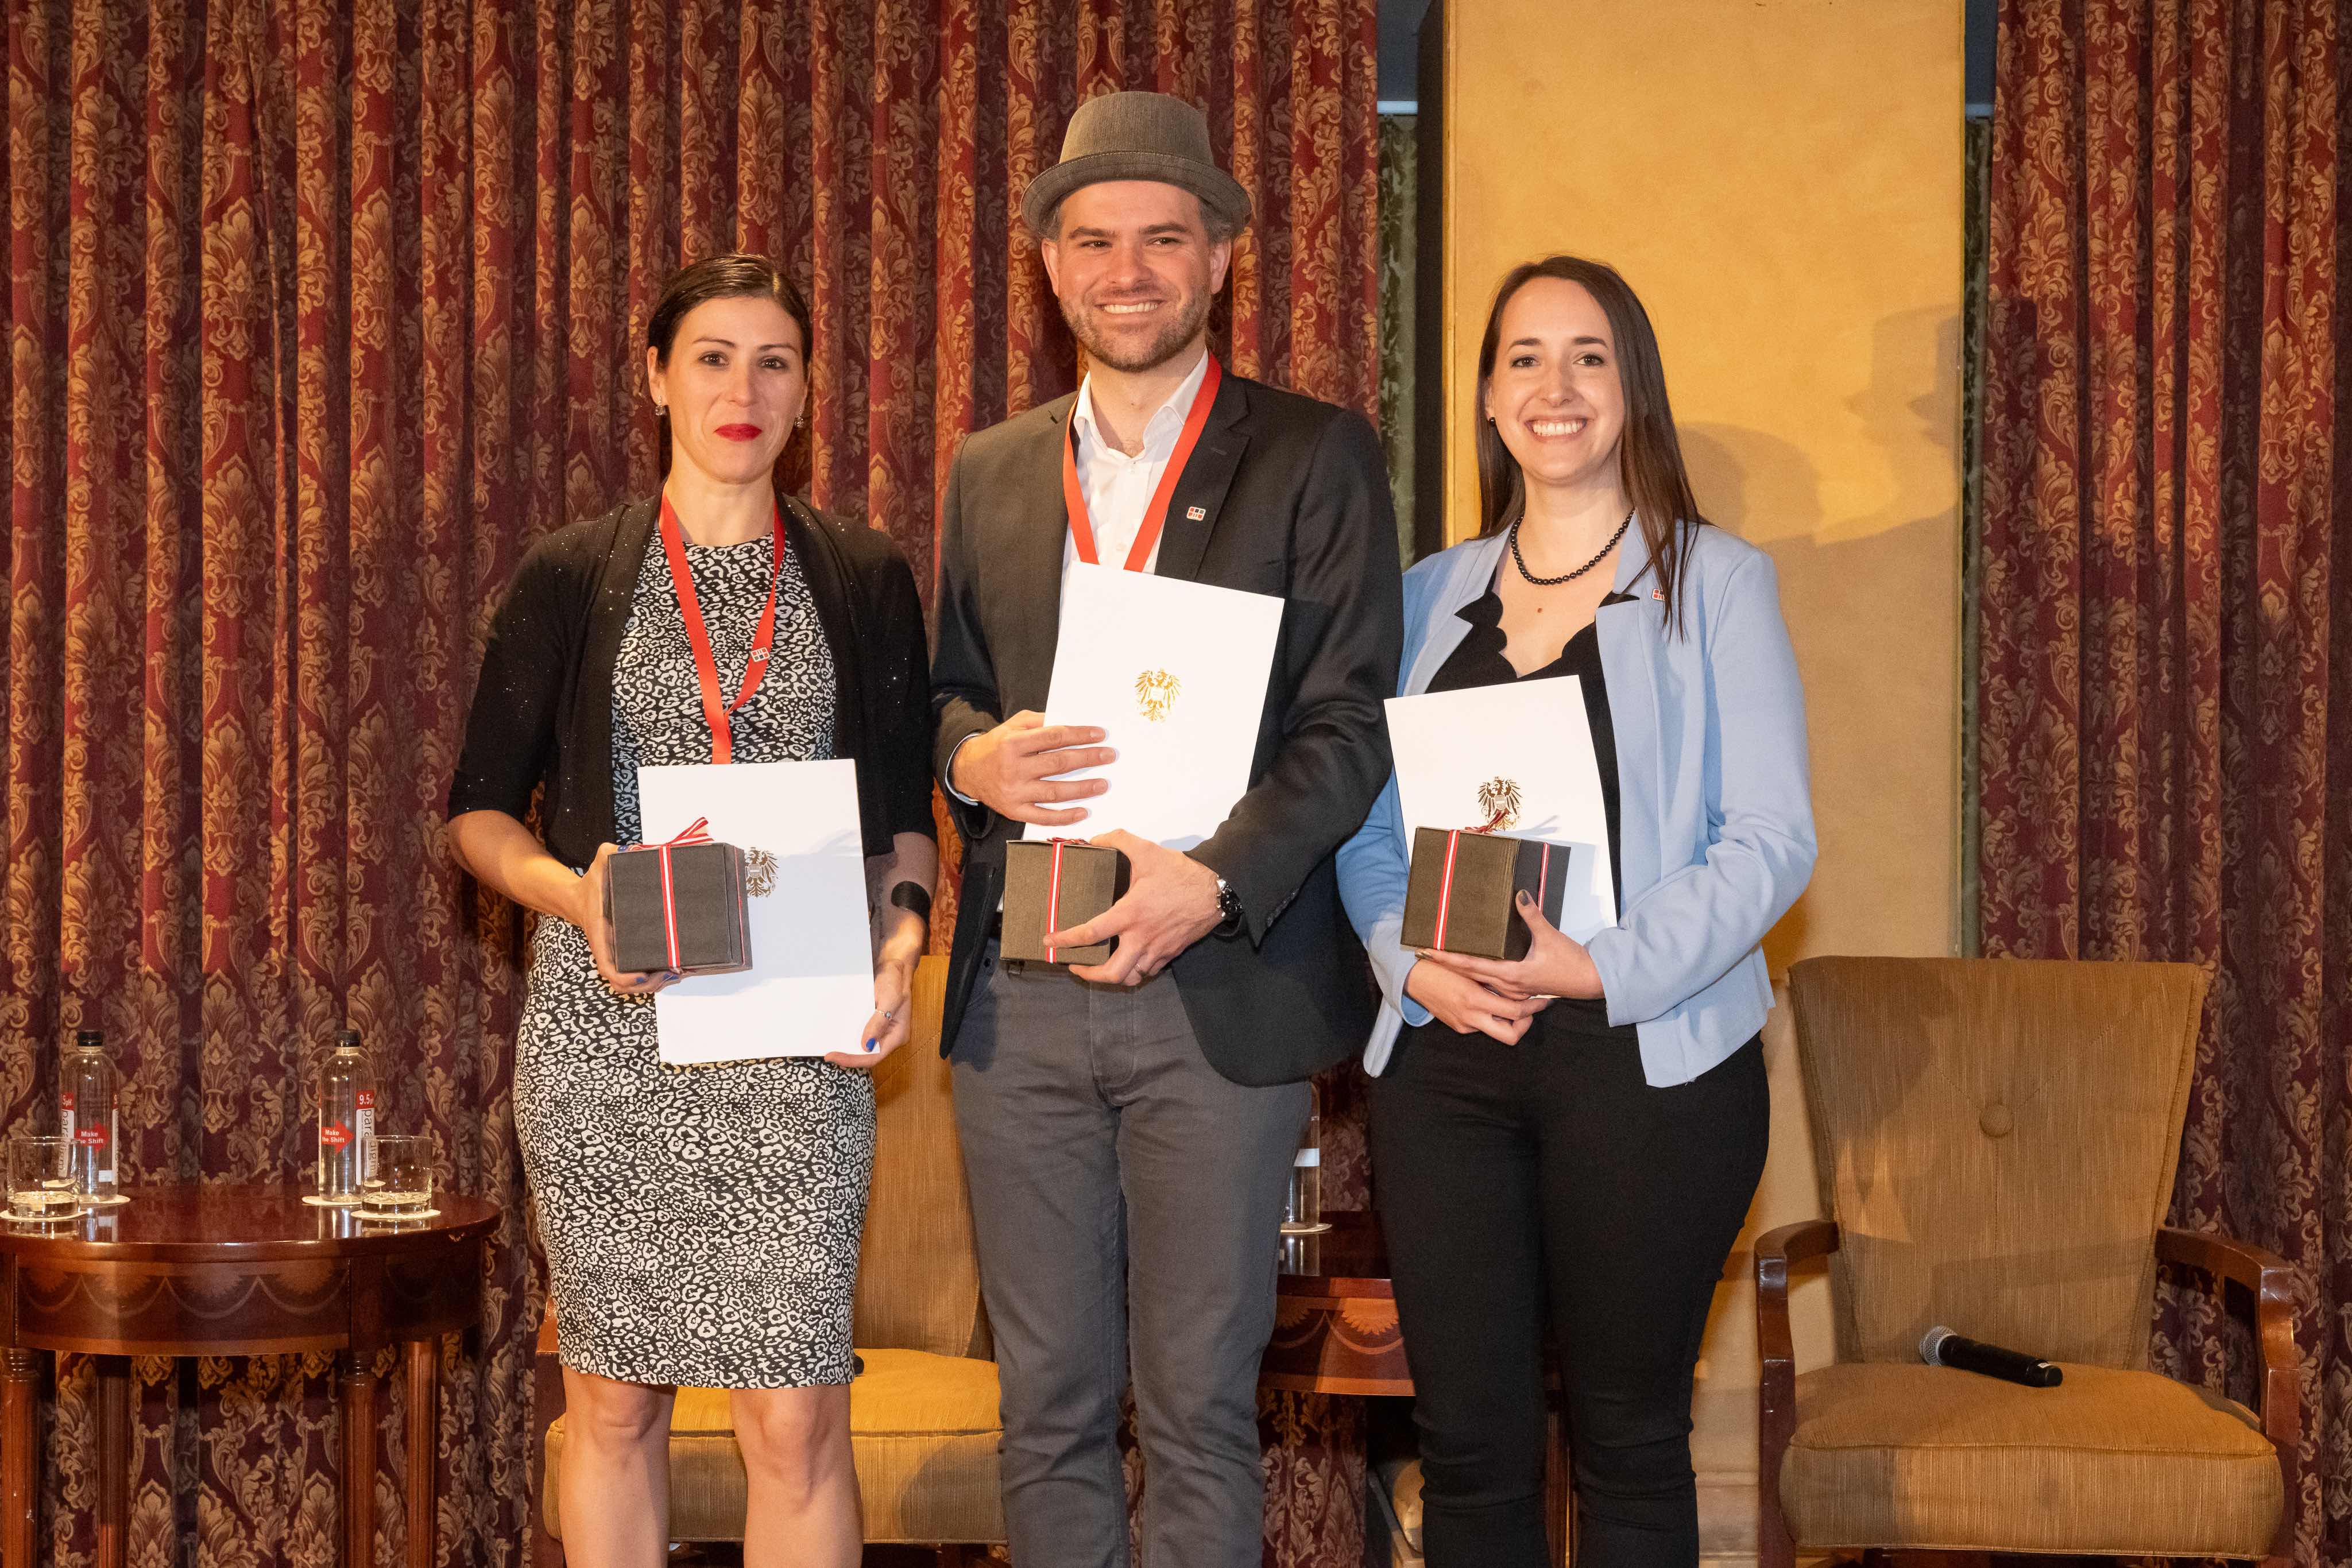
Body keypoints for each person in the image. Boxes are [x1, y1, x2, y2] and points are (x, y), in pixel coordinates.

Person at [929, 90, 1403, 1568]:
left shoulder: (1316, 456)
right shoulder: (991, 470)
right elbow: (941, 697)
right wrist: (972, 759)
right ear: (1050, 268)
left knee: (1198, 1405)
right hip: (1019, 997)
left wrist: (1209, 880)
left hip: (1219, 995)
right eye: (1090, 240)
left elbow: (1351, 726)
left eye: (1159, 239)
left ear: (1216, 264)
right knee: (1047, 1408)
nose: (1123, 269)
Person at [444, 254, 937, 1568]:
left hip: (796, 1043)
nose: (742, 386)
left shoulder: (861, 571)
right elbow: (478, 811)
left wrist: (900, 940)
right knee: (610, 1403)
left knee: (794, 1420)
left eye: (773, 360)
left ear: (805, 392)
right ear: (655, 377)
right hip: (611, 1035)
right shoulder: (569, 574)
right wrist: (573, 891)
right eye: (711, 356)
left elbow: (902, 815)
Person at [1334, 255, 1816, 1566]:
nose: (1554, 386)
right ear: (1488, 398)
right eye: (1523, 358)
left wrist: (1598, 969)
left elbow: (1771, 841)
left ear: (1632, 391)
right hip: (1445, 1063)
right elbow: (1366, 832)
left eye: (1588, 356)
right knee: (1470, 1451)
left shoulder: (1715, 583)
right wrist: (1401, 960)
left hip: (1645, 1065)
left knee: (1629, 1443)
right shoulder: (1424, 594)